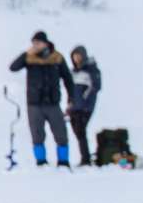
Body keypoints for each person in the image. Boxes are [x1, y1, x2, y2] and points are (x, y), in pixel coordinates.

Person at [9, 31, 74, 169]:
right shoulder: (29, 58)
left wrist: (71, 98)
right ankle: (41, 161)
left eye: (38, 43)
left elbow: (68, 79)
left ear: (45, 43)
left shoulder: (57, 58)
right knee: (37, 135)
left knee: (61, 134)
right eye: (33, 43)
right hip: (34, 104)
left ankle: (63, 162)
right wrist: (25, 54)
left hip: (52, 103)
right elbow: (13, 67)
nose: (35, 46)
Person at [67, 44, 103, 168]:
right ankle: (85, 157)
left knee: (80, 131)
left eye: (78, 55)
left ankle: (86, 159)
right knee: (77, 131)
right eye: (74, 56)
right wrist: (69, 105)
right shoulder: (73, 72)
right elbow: (70, 90)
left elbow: (96, 87)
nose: (76, 58)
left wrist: (84, 101)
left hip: (85, 107)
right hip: (74, 107)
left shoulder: (91, 69)